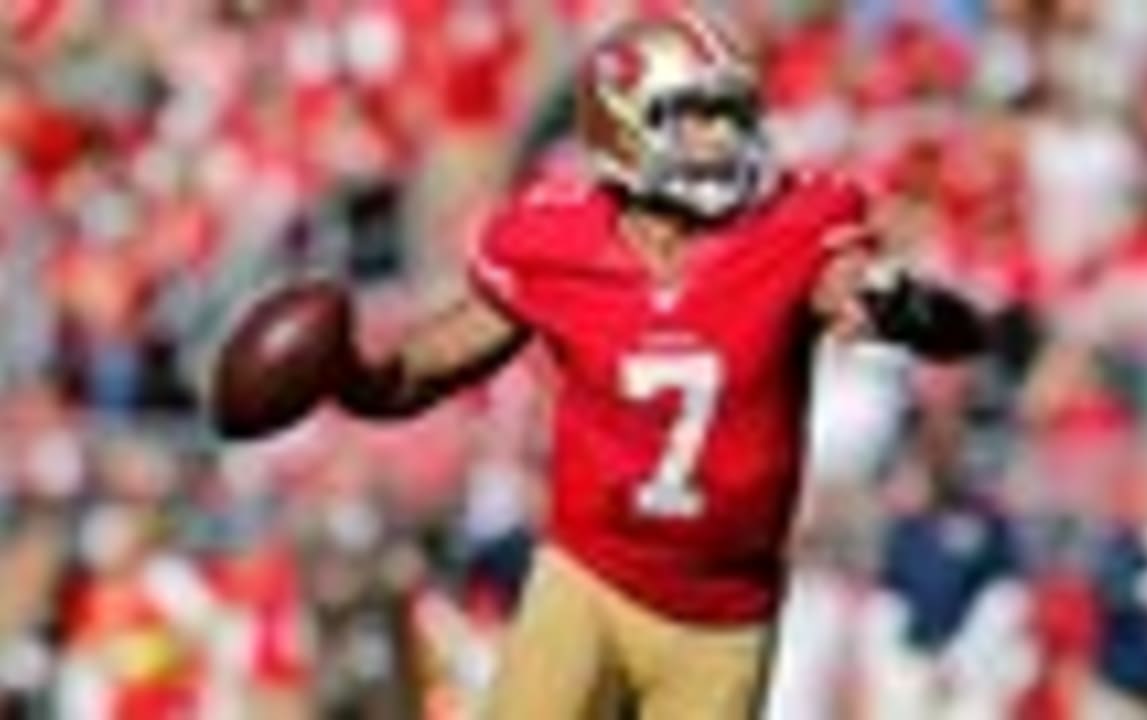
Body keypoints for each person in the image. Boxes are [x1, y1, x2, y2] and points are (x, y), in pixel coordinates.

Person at [214, 12, 986, 719]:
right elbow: (425, 368)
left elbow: (872, 298)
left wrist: (905, 310)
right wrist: (351, 374)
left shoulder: (793, 226)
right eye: (694, 118)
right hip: (588, 579)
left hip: (724, 610)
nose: (721, 139)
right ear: (623, 128)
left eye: (729, 116)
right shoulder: (553, 240)